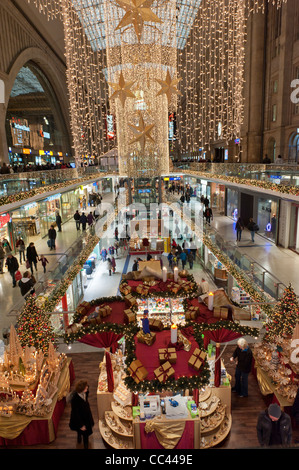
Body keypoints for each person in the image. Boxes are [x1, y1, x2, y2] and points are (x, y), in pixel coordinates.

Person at [69, 380, 94, 449]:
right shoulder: (75, 400)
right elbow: (75, 414)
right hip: (80, 420)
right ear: (81, 390)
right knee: (84, 433)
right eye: (86, 388)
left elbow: (86, 388)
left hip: (86, 416)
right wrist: (81, 425)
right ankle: (85, 445)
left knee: (82, 432)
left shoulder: (84, 392)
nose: (87, 388)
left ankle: (79, 437)